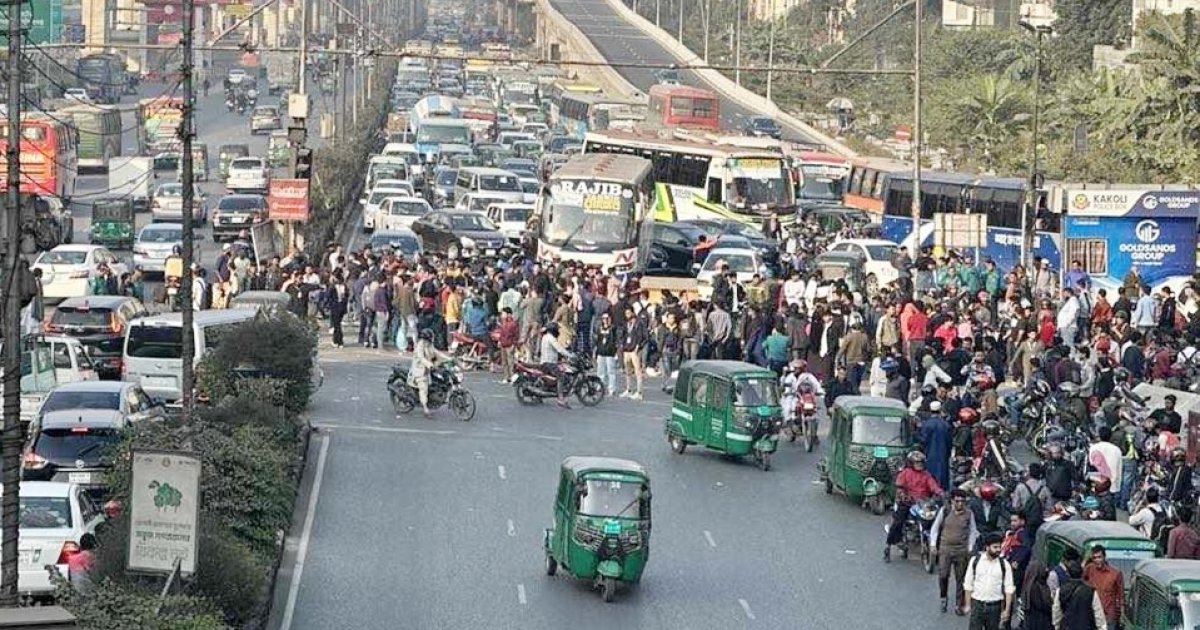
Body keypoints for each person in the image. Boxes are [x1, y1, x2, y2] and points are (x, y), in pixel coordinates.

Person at [884, 451, 943, 562]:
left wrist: (940, 493)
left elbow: (933, 486)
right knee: (898, 521)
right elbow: (899, 486)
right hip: (908, 502)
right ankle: (888, 546)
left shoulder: (926, 475)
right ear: (911, 463)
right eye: (916, 462)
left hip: (923, 503)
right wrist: (904, 496)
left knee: (937, 521)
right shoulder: (905, 473)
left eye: (921, 462)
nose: (919, 464)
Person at [930, 489, 978, 615]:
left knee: (961, 578)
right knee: (943, 575)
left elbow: (973, 531)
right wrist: (933, 545)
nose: (960, 504)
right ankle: (943, 598)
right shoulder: (945, 511)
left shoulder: (969, 514)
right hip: (945, 548)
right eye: (957, 501)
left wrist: (970, 547)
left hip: (961, 550)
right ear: (952, 501)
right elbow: (935, 528)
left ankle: (959, 604)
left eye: (963, 501)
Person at [962, 533, 1015, 630]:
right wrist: (968, 605)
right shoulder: (975, 561)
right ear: (987, 547)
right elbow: (968, 584)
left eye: (999, 547)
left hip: (995, 607)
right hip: (977, 605)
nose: (998, 550)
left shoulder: (1004, 565)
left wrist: (1006, 610)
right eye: (995, 547)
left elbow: (1009, 588)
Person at [408, 329, 453, 416]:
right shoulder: (420, 345)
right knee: (423, 387)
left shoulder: (429, 344)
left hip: (429, 367)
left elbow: (436, 352)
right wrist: (430, 365)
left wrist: (448, 359)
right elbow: (421, 358)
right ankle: (425, 407)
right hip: (419, 369)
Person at [1052, 559, 1107, 630]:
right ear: (1082, 574)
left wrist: (1057, 626)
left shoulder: (1060, 591)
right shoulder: (1091, 592)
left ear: (1068, 574)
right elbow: (1099, 616)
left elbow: (1056, 613)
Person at [1081, 545, 1123, 630]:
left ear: (1104, 557)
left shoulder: (1115, 574)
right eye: (1094, 558)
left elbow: (1120, 596)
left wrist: (1120, 615)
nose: (1097, 560)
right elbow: (1081, 580)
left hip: (1108, 615)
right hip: (1092, 614)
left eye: (1099, 557)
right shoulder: (1089, 569)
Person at [539, 322, 575, 409]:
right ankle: (560, 398)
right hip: (549, 363)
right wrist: (571, 355)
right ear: (553, 330)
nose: (558, 331)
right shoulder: (551, 338)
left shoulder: (546, 337)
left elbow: (555, 350)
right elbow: (559, 349)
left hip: (547, 362)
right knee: (561, 377)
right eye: (557, 329)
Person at [918, 405, 953, 491]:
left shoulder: (926, 425)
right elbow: (949, 443)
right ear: (940, 410)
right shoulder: (945, 425)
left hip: (929, 456)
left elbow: (922, 440)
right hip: (942, 457)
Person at [594, 312, 619, 397]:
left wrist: (615, 351)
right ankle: (600, 386)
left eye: (607, 318)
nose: (605, 320)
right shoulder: (600, 328)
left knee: (611, 371)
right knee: (600, 371)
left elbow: (615, 340)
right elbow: (597, 340)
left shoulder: (613, 328)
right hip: (601, 352)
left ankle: (612, 389)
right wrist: (596, 351)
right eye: (603, 318)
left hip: (610, 353)